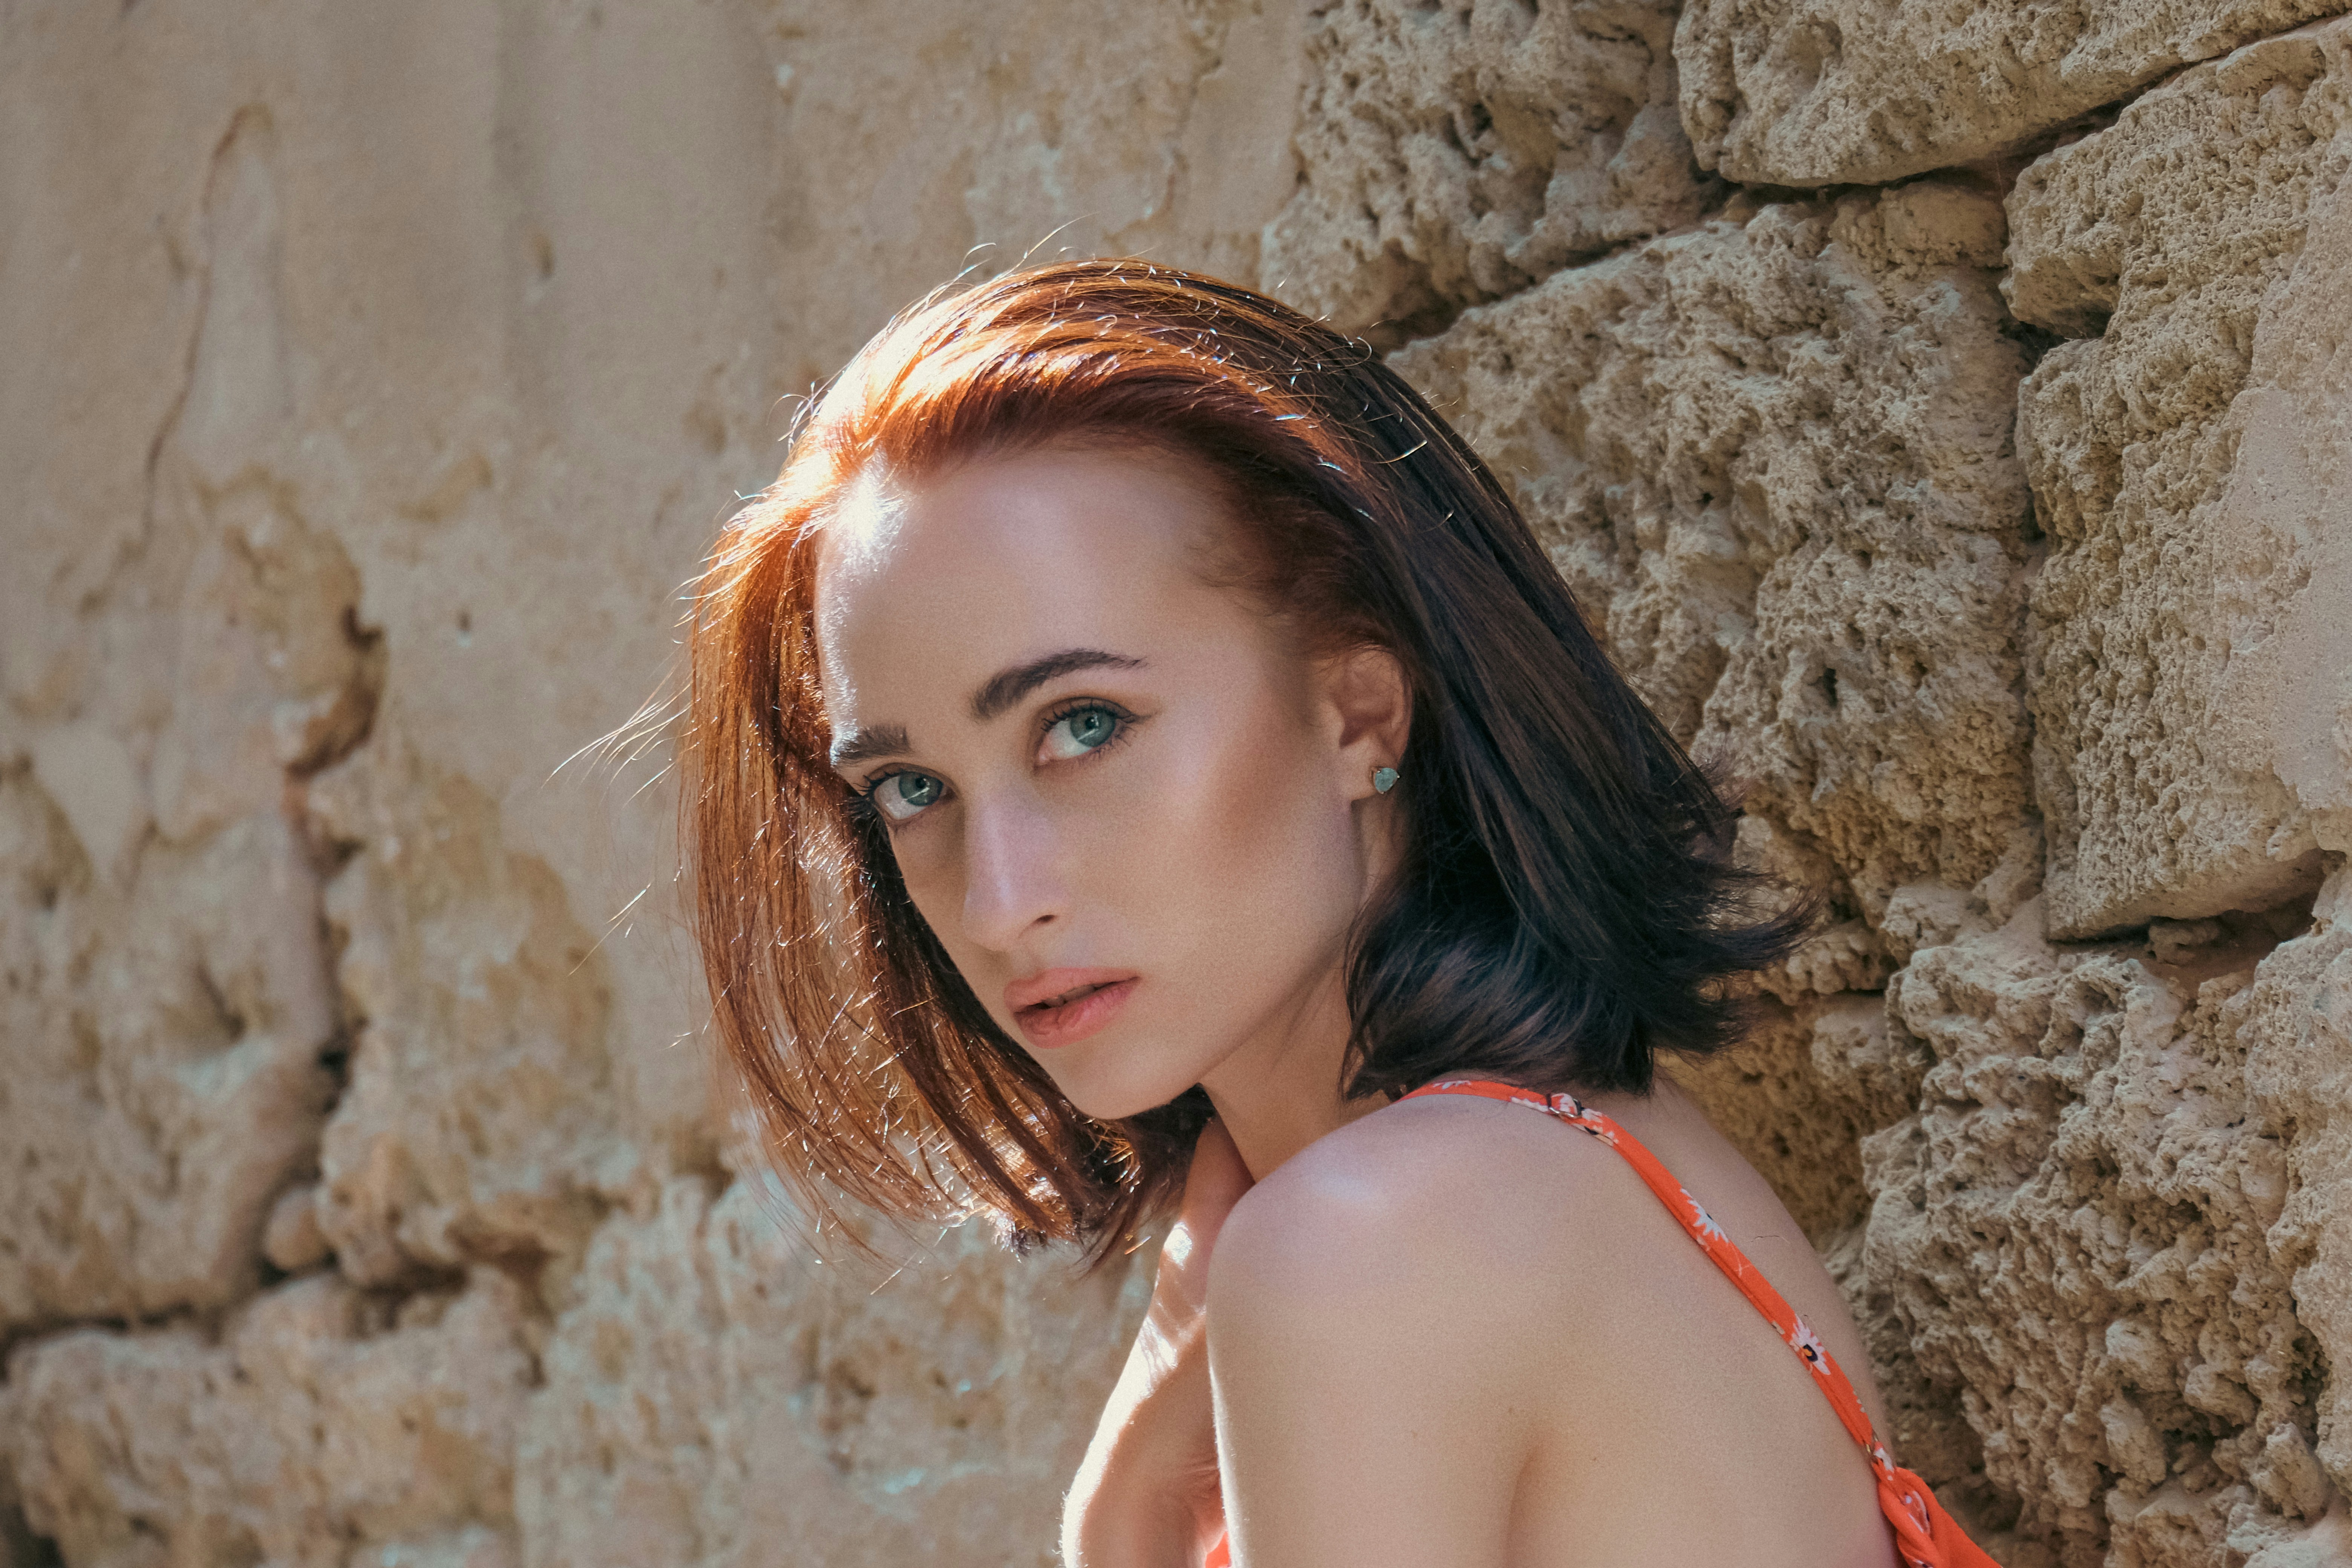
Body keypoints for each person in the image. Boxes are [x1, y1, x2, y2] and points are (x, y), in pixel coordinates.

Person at [675, 259, 1997, 1567]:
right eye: (912, 789)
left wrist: (1126, 1528)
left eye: (1085, 726)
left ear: (1359, 710)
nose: (1001, 897)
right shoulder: (1624, 1158)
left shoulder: (1370, 1243)